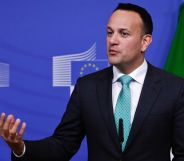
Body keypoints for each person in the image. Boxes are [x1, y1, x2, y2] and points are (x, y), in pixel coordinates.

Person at [1, 3, 184, 161]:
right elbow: (62, 145)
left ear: (145, 42)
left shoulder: (174, 88)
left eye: (124, 34)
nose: (113, 40)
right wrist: (20, 148)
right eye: (109, 32)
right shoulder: (87, 87)